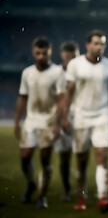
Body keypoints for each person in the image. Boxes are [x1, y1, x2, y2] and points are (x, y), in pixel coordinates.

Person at [62, 30, 108, 212]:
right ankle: (81, 196)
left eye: (102, 44)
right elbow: (68, 92)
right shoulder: (75, 65)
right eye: (96, 43)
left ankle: (102, 197)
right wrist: (65, 117)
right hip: (80, 117)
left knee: (102, 157)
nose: (99, 47)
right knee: (82, 161)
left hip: (102, 116)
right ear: (87, 45)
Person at [14, 36, 65, 209]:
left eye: (45, 53)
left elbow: (61, 100)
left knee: (45, 159)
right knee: (25, 157)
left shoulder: (58, 72)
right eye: (38, 53)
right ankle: (31, 183)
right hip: (31, 121)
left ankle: (42, 196)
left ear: (50, 52)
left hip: (49, 122)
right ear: (33, 52)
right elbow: (22, 97)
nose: (41, 56)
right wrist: (16, 122)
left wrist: (57, 123)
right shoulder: (27, 73)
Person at [53, 41, 80, 202]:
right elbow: (59, 98)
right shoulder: (57, 73)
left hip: (81, 117)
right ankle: (68, 190)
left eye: (73, 57)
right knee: (64, 157)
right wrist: (61, 120)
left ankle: (79, 192)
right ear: (62, 56)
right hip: (64, 118)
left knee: (80, 156)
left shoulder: (82, 70)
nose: (70, 60)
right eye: (67, 57)